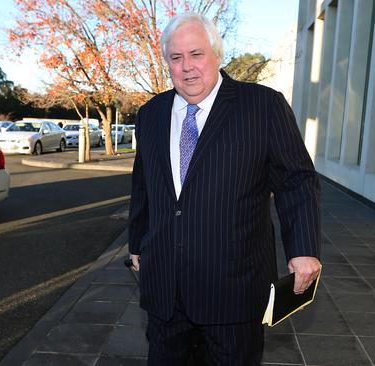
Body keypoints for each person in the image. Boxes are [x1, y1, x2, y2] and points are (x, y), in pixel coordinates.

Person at [128, 12, 321, 365]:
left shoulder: (263, 106)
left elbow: (296, 180)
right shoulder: (151, 114)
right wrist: (136, 243)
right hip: (164, 292)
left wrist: (304, 249)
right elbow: (143, 185)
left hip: (233, 291)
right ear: (167, 62)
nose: (187, 67)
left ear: (217, 55)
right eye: (176, 57)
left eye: (197, 54)